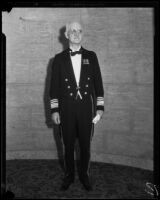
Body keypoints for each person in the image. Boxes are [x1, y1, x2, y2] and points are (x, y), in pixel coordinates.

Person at [49, 21, 104, 191]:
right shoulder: (58, 59)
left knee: (86, 145)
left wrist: (100, 107)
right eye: (72, 31)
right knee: (68, 145)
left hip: (86, 109)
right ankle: (69, 175)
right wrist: (55, 110)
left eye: (79, 31)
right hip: (66, 109)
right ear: (66, 35)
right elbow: (54, 87)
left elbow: (98, 84)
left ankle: (85, 175)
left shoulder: (91, 56)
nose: (76, 33)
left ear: (82, 34)